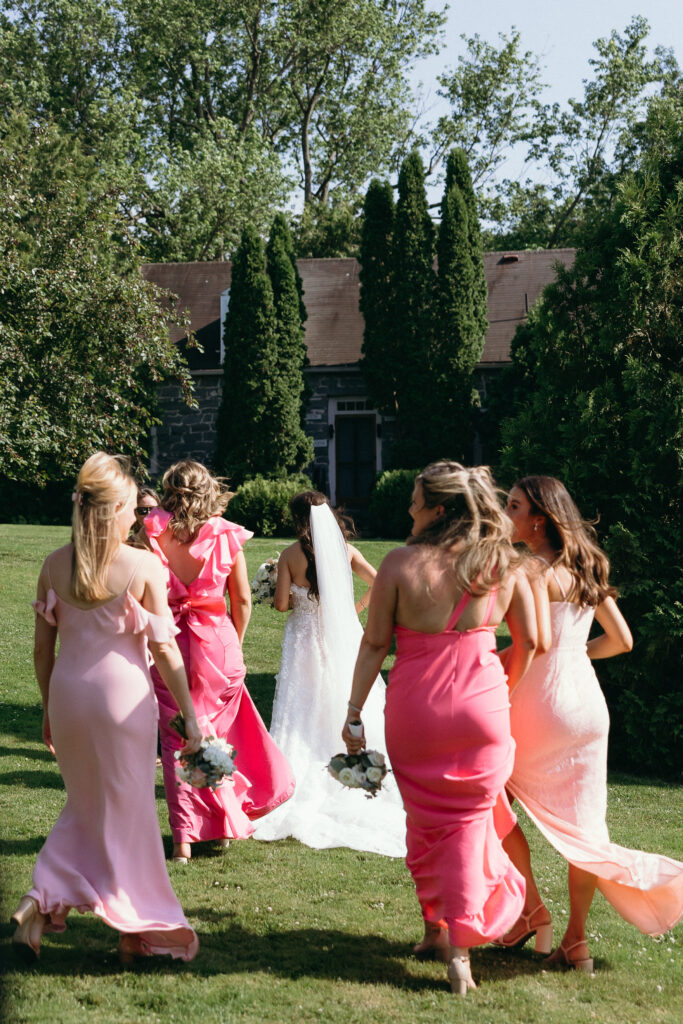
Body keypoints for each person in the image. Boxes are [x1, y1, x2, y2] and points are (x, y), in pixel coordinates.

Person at [343, 461, 539, 995]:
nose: (409, 508)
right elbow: (530, 642)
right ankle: (437, 929)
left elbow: (375, 643)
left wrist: (354, 711)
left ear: (439, 509)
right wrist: (502, 693)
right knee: (467, 825)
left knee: (427, 821)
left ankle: (458, 949)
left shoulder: (400, 564)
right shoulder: (503, 563)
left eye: (416, 500)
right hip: (483, 709)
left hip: (416, 713)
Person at [12, 452, 201, 965]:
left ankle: (41, 900)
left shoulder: (54, 565)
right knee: (130, 813)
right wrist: (189, 712)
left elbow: (41, 651)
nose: (138, 519)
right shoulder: (143, 565)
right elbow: (165, 650)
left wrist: (49, 707)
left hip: (68, 697)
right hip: (122, 702)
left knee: (86, 804)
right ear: (114, 509)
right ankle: (130, 930)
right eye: (133, 510)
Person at [498, 475, 683, 971]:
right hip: (586, 708)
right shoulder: (585, 569)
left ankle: (530, 910)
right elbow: (622, 640)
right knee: (586, 832)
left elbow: (531, 645)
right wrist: (576, 653)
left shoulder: (527, 570)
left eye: (513, 506)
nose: (505, 513)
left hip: (539, 705)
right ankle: (575, 941)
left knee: (488, 802)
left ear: (538, 520)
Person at [144, 460, 294, 863]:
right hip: (218, 643)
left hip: (169, 643)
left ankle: (183, 840)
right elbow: (241, 599)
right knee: (218, 734)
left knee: (176, 739)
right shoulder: (225, 534)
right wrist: (234, 642)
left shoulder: (152, 531)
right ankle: (223, 825)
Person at [252, 491, 406, 856]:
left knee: (303, 699)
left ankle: (299, 764)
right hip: (341, 634)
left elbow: (280, 605)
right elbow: (378, 582)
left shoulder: (289, 555)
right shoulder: (345, 551)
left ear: (297, 519)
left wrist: (276, 586)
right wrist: (354, 609)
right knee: (339, 690)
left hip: (303, 639)